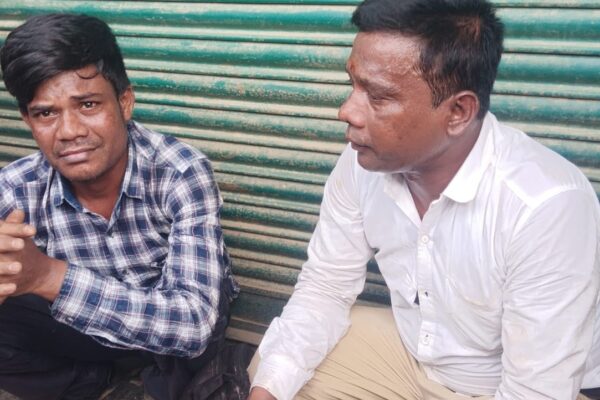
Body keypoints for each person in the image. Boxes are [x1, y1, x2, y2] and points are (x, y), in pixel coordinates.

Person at [247, 0, 600, 399]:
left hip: (511, 384)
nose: (347, 111)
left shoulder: (546, 206)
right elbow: (326, 287)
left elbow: (535, 390)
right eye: (354, 85)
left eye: (378, 97)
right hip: (415, 361)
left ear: (458, 112)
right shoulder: (363, 162)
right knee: (274, 372)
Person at [0, 13, 238, 400]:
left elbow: (193, 324)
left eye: (88, 104)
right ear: (28, 120)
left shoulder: (179, 171)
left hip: (173, 334)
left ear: (125, 102)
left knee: (193, 366)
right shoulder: (16, 187)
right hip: (90, 329)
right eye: (46, 113)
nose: (69, 131)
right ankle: (96, 383)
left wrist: (45, 276)